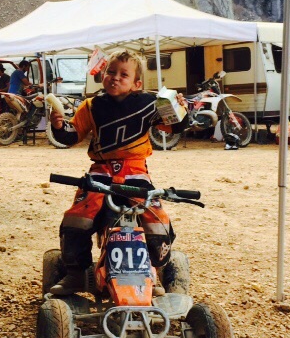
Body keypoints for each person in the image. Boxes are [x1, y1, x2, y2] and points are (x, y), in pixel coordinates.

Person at [47, 50, 190, 296]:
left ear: (137, 83)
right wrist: (58, 126)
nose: (115, 77)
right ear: (102, 75)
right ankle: (76, 273)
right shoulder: (91, 106)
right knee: (77, 218)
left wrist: (180, 110)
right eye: (111, 72)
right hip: (100, 171)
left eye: (124, 75)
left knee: (156, 221)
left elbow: (174, 126)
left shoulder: (151, 103)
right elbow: (72, 135)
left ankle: (152, 271)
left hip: (135, 172)